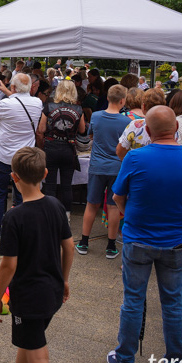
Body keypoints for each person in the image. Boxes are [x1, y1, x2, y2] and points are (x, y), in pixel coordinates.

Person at [106, 106, 182, 363]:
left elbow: (117, 196)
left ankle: (124, 360)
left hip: (138, 238)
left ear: (147, 131)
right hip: (176, 241)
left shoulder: (136, 157)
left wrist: (131, 212)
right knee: (172, 303)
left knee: (133, 300)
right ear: (177, 129)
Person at [0, 147, 74, 363]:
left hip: (28, 298)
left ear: (13, 177)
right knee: (31, 339)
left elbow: (8, 265)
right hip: (52, 291)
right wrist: (65, 279)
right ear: (45, 173)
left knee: (38, 354)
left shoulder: (14, 217)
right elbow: (68, 248)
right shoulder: (56, 205)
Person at [0, 73, 43, 243]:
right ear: (30, 87)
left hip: (4, 156)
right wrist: (9, 90)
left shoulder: (5, 104)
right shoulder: (37, 103)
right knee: (24, 195)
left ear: (13, 87)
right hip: (25, 157)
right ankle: (22, 233)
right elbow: (19, 100)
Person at [76, 85, 130, 258]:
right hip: (117, 167)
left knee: (92, 204)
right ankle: (111, 245)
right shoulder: (126, 122)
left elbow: (91, 136)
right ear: (123, 101)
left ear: (107, 98)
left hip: (97, 166)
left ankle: (84, 242)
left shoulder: (97, 117)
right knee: (113, 206)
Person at [36, 79, 85, 221]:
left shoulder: (49, 106)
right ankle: (66, 216)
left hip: (51, 147)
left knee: (50, 184)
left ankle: (50, 215)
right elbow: (82, 130)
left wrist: (42, 147)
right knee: (66, 185)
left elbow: (41, 130)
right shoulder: (79, 109)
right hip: (68, 149)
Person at [116, 88, 170, 159]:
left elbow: (120, 151)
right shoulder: (170, 125)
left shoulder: (135, 125)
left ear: (143, 107)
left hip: (138, 166)